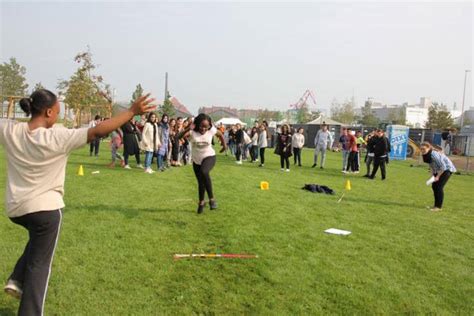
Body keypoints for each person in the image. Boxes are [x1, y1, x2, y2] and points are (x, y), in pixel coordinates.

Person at [0, 89, 155, 315]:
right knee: (40, 266)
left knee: (38, 242)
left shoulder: (9, 130)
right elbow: (97, 131)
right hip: (46, 210)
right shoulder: (57, 137)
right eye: (57, 112)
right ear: (49, 111)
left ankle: (16, 278)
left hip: (16, 209)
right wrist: (132, 111)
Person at [179, 114, 226, 214]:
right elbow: (178, 137)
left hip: (209, 156)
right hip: (196, 160)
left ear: (209, 126)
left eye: (206, 127)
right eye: (201, 126)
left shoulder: (211, 130)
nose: (204, 129)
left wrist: (224, 146)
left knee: (204, 172)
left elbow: (220, 134)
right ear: (196, 124)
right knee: (201, 182)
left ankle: (212, 199)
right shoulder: (192, 132)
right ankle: (201, 202)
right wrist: (188, 128)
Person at [420, 142, 457, 211]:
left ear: (429, 148)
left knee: (438, 187)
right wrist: (432, 176)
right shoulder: (426, 155)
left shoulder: (434, 154)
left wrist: (437, 177)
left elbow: (443, 166)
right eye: (421, 149)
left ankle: (438, 207)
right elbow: (431, 165)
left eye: (424, 149)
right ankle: (435, 206)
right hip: (439, 170)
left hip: (447, 169)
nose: (422, 150)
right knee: (434, 186)